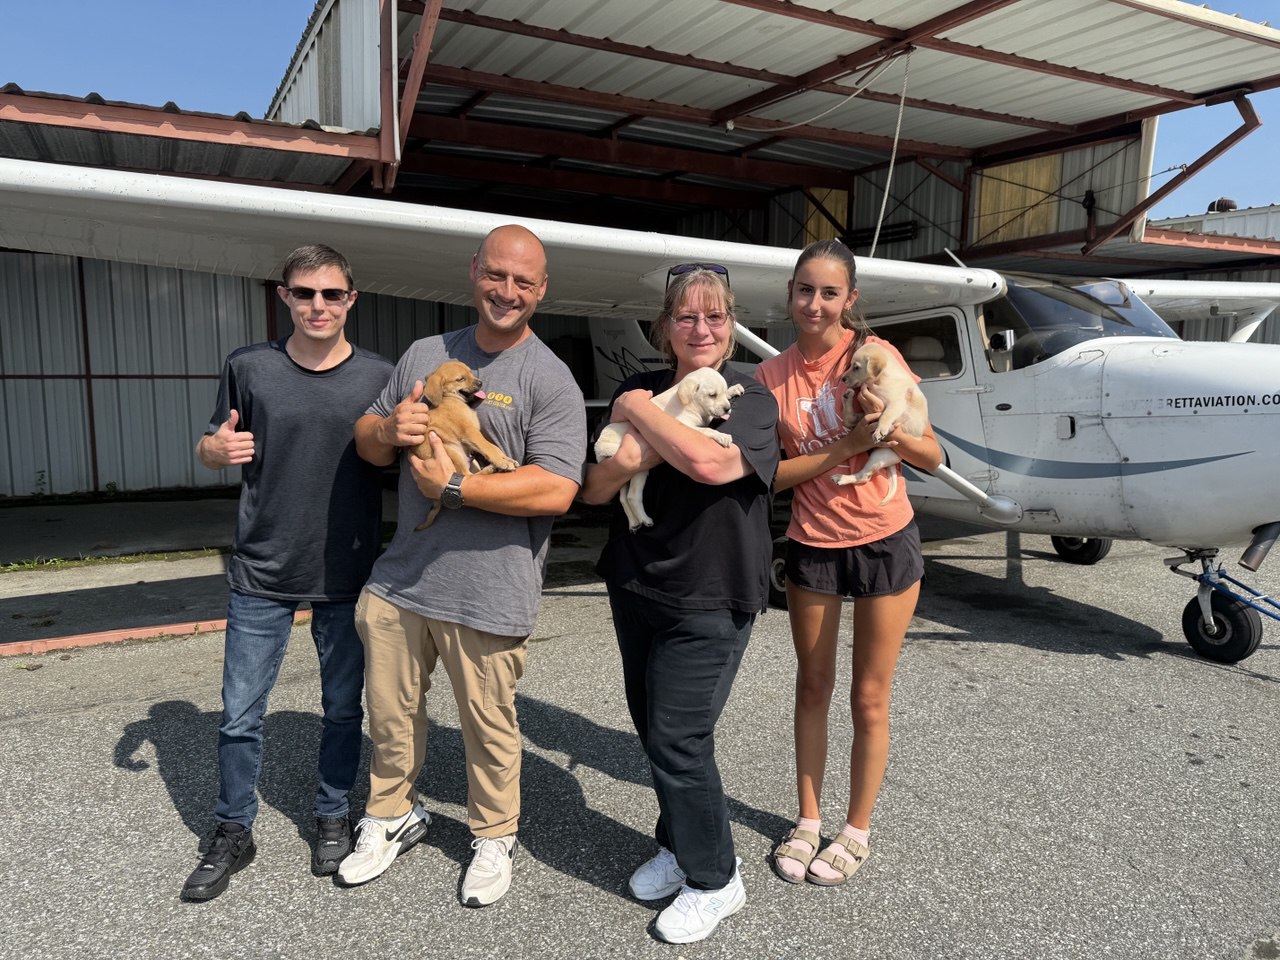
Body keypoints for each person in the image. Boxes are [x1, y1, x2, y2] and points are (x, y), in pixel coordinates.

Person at [341, 224, 586, 907]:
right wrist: (391, 431)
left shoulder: (551, 380)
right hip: (402, 581)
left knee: (489, 724)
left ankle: (493, 835)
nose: (507, 292)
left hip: (491, 589)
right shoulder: (426, 353)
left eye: (523, 282)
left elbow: (557, 489)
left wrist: (453, 488)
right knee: (389, 715)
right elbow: (366, 440)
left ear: (542, 290)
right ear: (474, 271)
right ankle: (391, 815)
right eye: (496, 275)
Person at [183, 244, 393, 901]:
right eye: (305, 294)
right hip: (261, 568)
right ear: (285, 297)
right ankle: (232, 829)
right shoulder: (250, 366)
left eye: (332, 294)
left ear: (352, 300)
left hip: (347, 569)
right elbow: (213, 441)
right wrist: (211, 451)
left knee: (341, 709)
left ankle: (333, 813)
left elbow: (398, 458)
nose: (318, 306)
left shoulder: (379, 377)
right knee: (240, 715)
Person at [582, 264, 779, 944]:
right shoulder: (638, 384)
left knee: (678, 737)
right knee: (654, 729)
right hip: (636, 581)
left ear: (731, 327)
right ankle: (677, 842)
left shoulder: (750, 395)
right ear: (665, 327)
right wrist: (639, 429)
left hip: (715, 592)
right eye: (687, 316)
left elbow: (711, 465)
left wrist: (637, 418)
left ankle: (715, 878)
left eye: (716, 316)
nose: (701, 328)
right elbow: (597, 487)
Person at [754, 238, 942, 886]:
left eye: (829, 292)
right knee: (813, 685)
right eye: (804, 289)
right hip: (813, 540)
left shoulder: (875, 357)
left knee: (869, 697)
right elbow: (770, 477)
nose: (815, 302)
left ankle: (855, 830)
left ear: (849, 300)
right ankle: (808, 821)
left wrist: (884, 434)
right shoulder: (771, 378)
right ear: (791, 294)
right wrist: (851, 444)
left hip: (886, 538)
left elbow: (933, 455)